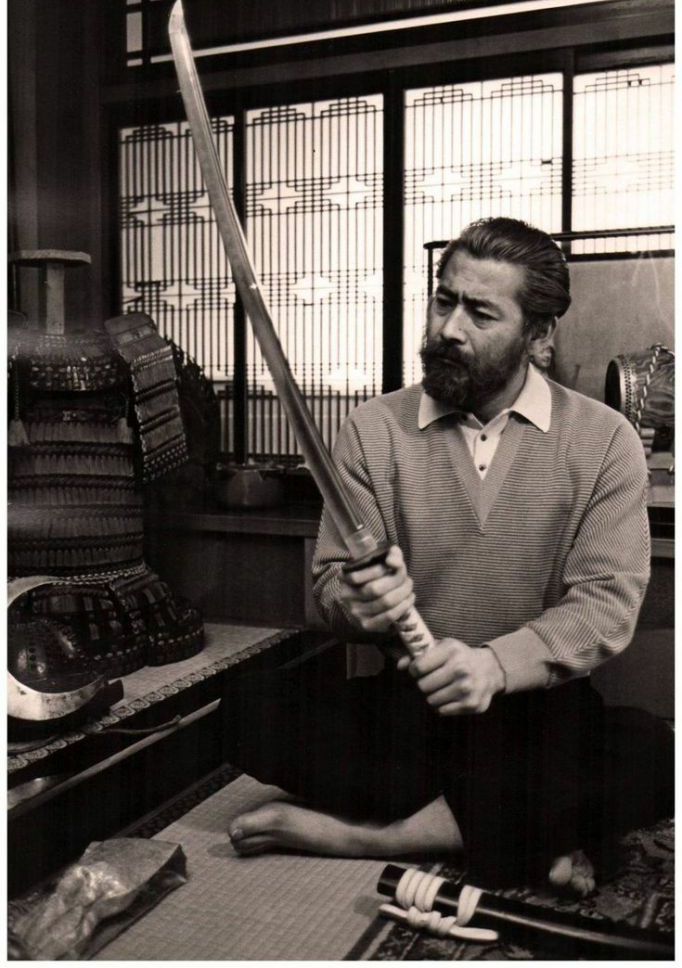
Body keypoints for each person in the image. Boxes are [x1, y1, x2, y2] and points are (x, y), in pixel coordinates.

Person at [223, 217, 673, 896]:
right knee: (246, 709)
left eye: (480, 313)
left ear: (539, 336)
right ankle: (523, 829)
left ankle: (381, 838)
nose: (448, 329)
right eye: (443, 301)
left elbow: (605, 605)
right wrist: (361, 604)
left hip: (537, 709)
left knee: (653, 750)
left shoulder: (605, 439)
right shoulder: (374, 429)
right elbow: (332, 589)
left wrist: (494, 666)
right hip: (412, 711)